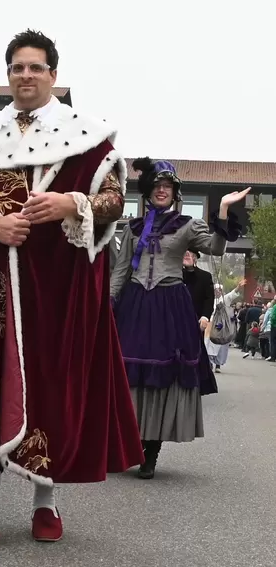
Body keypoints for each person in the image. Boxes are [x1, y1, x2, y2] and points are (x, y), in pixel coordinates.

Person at [0, 30, 144, 554]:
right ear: (8, 75)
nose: (25, 76)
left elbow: (115, 198)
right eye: (17, 68)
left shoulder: (88, 137)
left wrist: (73, 203)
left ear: (53, 75)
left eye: (35, 67)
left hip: (59, 288)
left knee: (51, 384)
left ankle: (46, 502)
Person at [111, 157, 248, 480]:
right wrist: (108, 303)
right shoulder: (131, 228)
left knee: (163, 377)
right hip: (134, 305)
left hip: (169, 305)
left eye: (168, 187)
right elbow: (120, 272)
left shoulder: (187, 225)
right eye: (157, 186)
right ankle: (128, 443)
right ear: (147, 191)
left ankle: (151, 449)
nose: (162, 191)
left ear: (175, 192)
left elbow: (215, 247)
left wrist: (224, 209)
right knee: (128, 374)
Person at [206, 280, 245, 371]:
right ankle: (210, 362)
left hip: (222, 326)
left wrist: (238, 287)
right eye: (216, 290)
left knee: (221, 344)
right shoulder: (210, 299)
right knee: (209, 344)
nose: (217, 291)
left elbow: (232, 294)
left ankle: (218, 365)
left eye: (219, 290)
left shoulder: (225, 299)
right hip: (211, 324)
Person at [182, 251, 215, 333]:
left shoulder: (205, 276)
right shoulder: (174, 275)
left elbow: (209, 299)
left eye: (191, 253)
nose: (187, 255)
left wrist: (205, 317)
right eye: (185, 253)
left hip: (196, 319)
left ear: (195, 258)